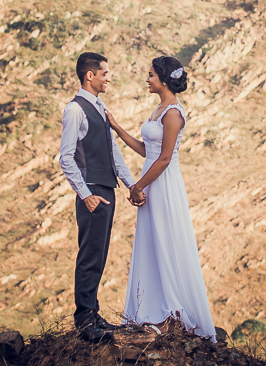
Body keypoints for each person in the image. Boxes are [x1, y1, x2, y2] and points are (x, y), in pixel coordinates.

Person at [105, 55, 216, 340]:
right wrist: (117, 128)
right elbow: (147, 151)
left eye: (151, 74)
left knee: (166, 241)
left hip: (163, 184)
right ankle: (152, 309)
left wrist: (137, 186)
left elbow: (165, 158)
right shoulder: (159, 109)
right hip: (151, 180)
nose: (148, 79)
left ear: (164, 80)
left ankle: (173, 312)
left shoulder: (173, 114)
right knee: (151, 242)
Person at [58, 51, 140, 344]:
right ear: (89, 75)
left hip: (107, 190)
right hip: (92, 192)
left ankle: (93, 313)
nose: (109, 78)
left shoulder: (100, 106)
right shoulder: (75, 110)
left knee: (100, 253)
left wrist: (131, 184)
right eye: (105, 73)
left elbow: (112, 152)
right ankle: (84, 321)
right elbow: (66, 158)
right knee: (90, 255)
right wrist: (86, 194)